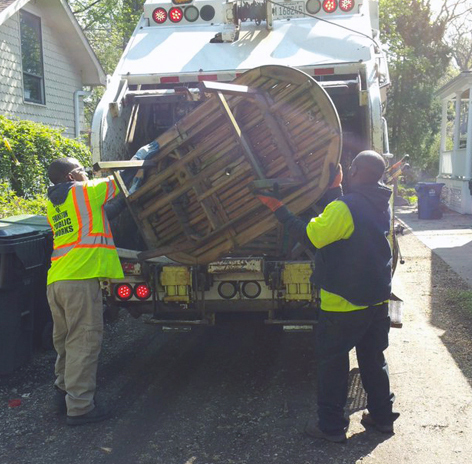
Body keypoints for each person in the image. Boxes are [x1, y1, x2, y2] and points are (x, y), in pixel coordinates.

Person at [255, 151, 399, 443]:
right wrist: (335, 189)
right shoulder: (380, 201)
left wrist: (277, 207)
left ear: (355, 170)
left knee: (333, 364)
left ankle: (331, 427)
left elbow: (312, 235)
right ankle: (382, 419)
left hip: (343, 302)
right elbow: (348, 215)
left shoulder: (345, 208)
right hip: (376, 300)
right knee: (373, 359)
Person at [46, 142, 159, 426]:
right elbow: (120, 177)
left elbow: (102, 214)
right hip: (80, 281)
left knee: (66, 342)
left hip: (57, 281)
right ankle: (81, 407)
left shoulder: (53, 202)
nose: (86, 173)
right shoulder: (83, 192)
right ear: (72, 177)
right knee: (84, 342)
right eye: (81, 170)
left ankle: (62, 393)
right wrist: (147, 151)